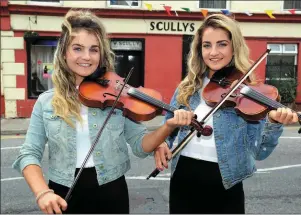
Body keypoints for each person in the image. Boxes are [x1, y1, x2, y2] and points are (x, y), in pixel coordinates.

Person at [12, 9, 195, 214]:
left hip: (111, 192)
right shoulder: (46, 102)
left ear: (101, 54)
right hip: (63, 193)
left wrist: (168, 127)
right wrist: (42, 193)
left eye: (94, 49)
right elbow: (28, 154)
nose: (86, 57)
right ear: (64, 52)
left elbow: (140, 145)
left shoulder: (116, 97)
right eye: (78, 48)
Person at [153, 13, 299, 214]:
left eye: (222, 44)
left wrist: (274, 123)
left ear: (234, 47)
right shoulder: (187, 87)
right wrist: (161, 143)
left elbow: (260, 153)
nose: (213, 52)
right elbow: (169, 126)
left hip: (225, 182)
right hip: (183, 178)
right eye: (207, 45)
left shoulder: (249, 93)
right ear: (199, 49)